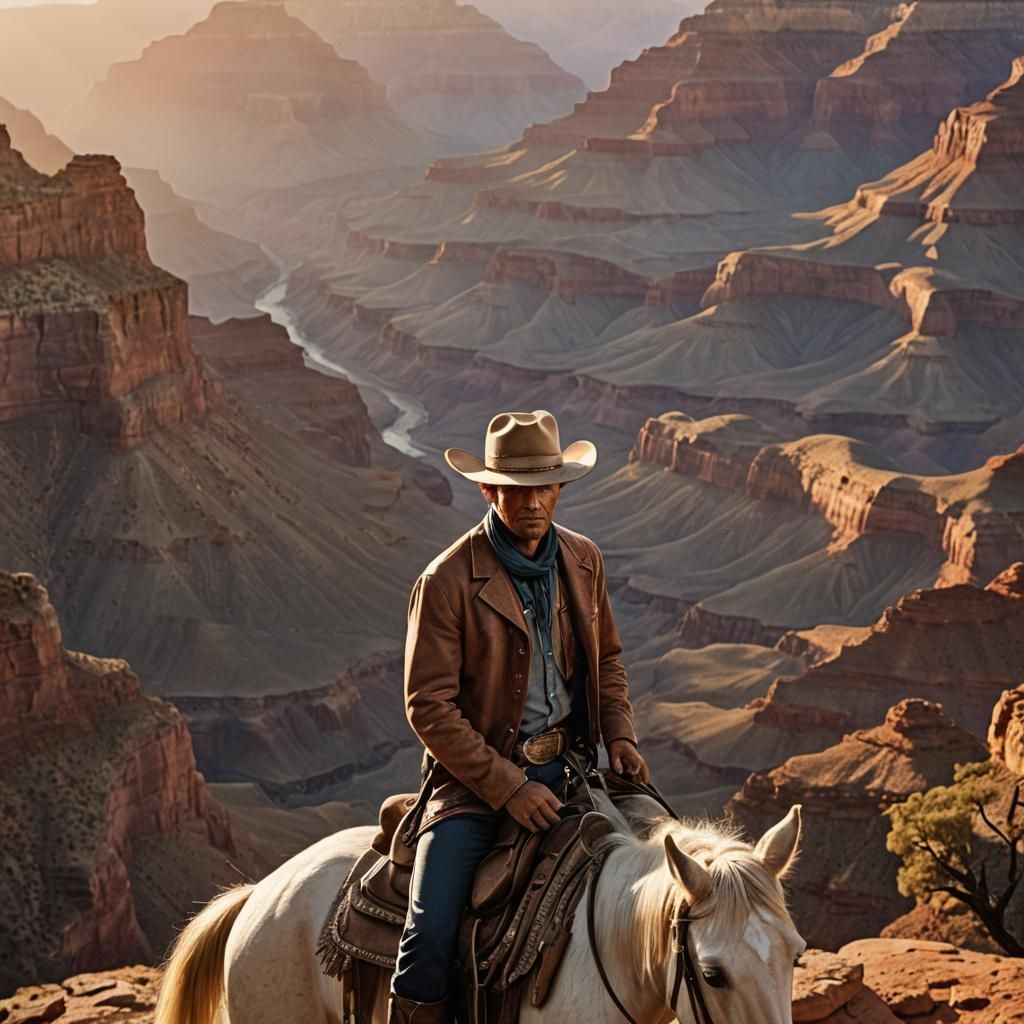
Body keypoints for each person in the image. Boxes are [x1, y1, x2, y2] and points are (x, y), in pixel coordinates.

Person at [389, 410, 649, 1024]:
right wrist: (507, 788)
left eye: (546, 486)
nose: (534, 502)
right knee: (428, 934)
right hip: (475, 785)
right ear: (488, 489)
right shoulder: (447, 579)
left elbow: (607, 659)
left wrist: (620, 735)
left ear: (561, 487)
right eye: (518, 489)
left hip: (573, 768)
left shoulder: (583, 561)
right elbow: (428, 706)